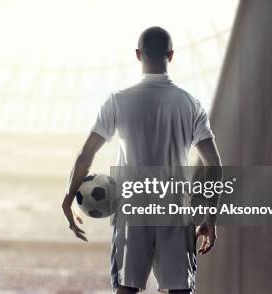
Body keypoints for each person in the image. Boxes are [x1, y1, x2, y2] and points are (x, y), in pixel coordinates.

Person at [61, 27, 222, 293]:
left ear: (138, 55)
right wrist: (210, 217)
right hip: (175, 211)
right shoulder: (190, 104)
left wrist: (68, 199)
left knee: (126, 288)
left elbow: (85, 155)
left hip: (132, 210)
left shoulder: (117, 101)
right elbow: (214, 164)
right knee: (181, 289)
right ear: (171, 55)